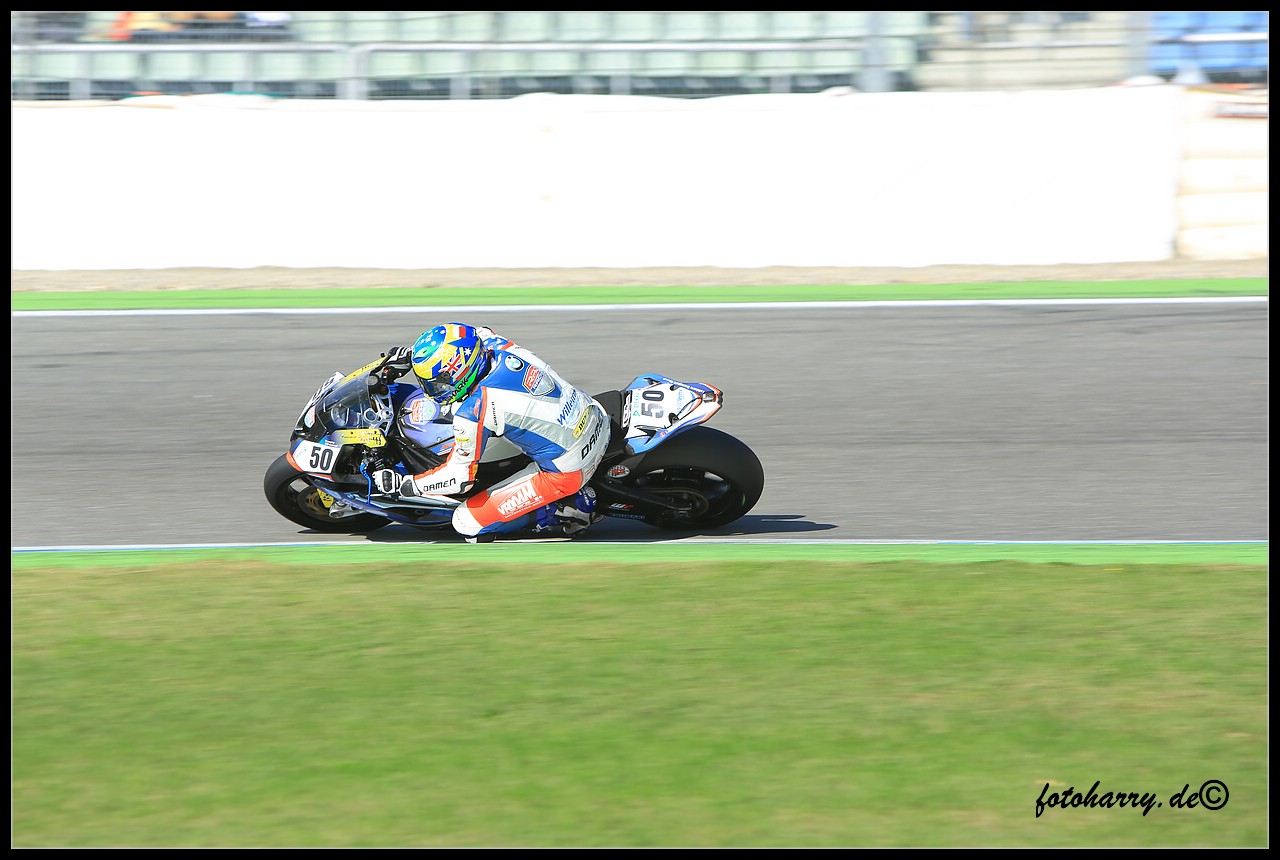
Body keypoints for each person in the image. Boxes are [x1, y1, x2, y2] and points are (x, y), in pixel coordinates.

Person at [370, 322, 608, 543]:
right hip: (594, 413)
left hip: (568, 468)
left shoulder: (474, 410)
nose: (433, 390)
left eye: (437, 383)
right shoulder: (492, 343)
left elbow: (459, 478)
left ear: (458, 373)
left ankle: (569, 508)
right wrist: (412, 356)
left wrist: (406, 485)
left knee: (466, 523)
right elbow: (473, 332)